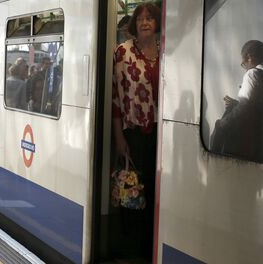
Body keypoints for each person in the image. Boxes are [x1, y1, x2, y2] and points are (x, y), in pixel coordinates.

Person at [111, 2, 161, 261]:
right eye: (140, 18)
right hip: (134, 135)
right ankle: (132, 251)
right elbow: (116, 100)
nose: (144, 22)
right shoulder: (123, 53)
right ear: (134, 23)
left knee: (155, 192)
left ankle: (151, 249)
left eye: (150, 18)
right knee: (133, 193)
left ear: (157, 23)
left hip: (163, 137)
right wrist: (119, 138)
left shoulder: (166, 51)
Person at [210, 40, 263, 164]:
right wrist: (237, 104)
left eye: (243, 63)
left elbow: (245, 110)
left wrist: (221, 125)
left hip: (251, 149)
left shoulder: (252, 74)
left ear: (249, 57)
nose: (244, 67)